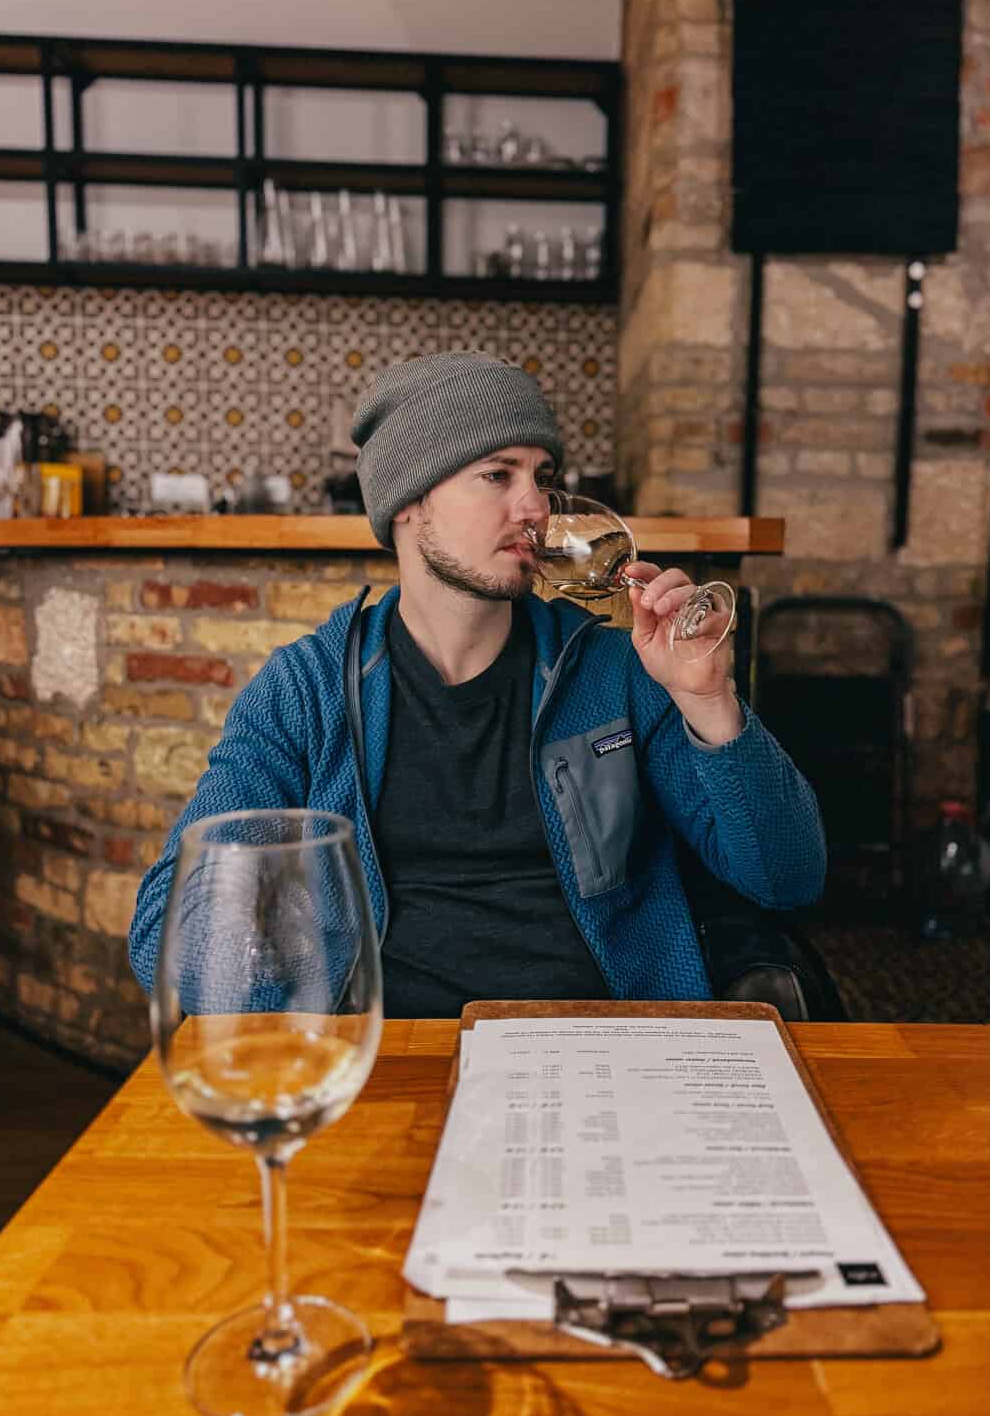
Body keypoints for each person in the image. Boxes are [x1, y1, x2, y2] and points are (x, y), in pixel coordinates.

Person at [129, 351, 826, 1015]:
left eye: (542, 476)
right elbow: (169, 930)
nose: (535, 506)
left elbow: (788, 878)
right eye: (498, 475)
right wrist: (308, 1026)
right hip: (389, 1058)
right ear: (409, 504)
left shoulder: (617, 673)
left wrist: (708, 701)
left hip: (603, 1044)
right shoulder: (304, 690)